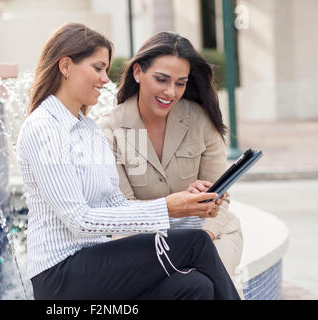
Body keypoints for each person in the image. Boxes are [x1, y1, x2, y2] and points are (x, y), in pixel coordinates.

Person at [16, 22, 240, 300]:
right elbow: (79, 221)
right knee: (195, 244)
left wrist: (185, 203)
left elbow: (116, 205)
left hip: (99, 265)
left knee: (196, 287)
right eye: (97, 68)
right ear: (66, 66)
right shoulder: (44, 127)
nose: (104, 80)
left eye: (106, 70)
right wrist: (166, 208)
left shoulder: (88, 129)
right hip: (61, 275)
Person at [97, 31, 243, 278]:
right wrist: (175, 206)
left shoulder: (201, 120)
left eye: (180, 83)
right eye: (161, 79)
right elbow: (123, 211)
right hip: (142, 240)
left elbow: (221, 198)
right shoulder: (110, 129)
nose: (171, 92)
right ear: (137, 72)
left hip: (209, 234)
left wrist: (202, 234)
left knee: (205, 283)